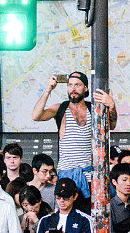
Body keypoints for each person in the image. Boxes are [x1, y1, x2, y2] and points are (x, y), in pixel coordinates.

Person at [31, 72, 117, 210]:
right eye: (70, 85)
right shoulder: (61, 108)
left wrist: (111, 106)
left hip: (90, 176)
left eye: (77, 85)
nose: (73, 89)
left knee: (92, 218)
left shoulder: (93, 108)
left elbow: (111, 126)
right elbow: (36, 116)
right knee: (67, 217)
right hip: (67, 174)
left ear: (86, 88)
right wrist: (48, 89)